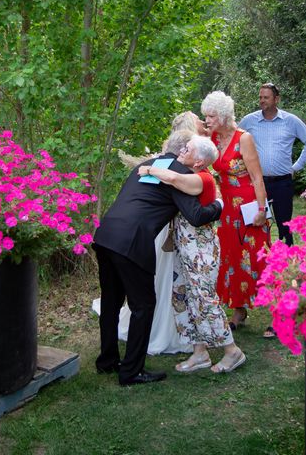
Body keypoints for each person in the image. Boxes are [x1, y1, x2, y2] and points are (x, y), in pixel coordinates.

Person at [93, 131, 223, 386]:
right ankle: (131, 371)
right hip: (131, 242)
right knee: (143, 305)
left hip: (106, 234)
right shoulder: (182, 176)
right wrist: (219, 205)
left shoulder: (146, 165)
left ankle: (107, 361)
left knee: (111, 302)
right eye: (186, 148)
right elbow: (196, 216)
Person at [140, 134, 246, 373]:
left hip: (201, 251)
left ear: (199, 161)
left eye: (188, 149)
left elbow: (173, 178)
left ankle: (232, 351)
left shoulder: (203, 179)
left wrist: (149, 168)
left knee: (206, 299)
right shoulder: (193, 175)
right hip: (185, 248)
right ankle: (200, 353)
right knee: (186, 297)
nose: (182, 150)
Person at [203, 91, 271, 336]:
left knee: (257, 257)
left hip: (249, 205)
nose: (207, 120)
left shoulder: (244, 138)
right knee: (232, 257)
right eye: (206, 116)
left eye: (211, 116)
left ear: (222, 116)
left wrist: (263, 210)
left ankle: (276, 314)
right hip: (227, 207)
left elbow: (257, 177)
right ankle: (239, 311)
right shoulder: (212, 139)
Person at [239, 83, 306, 246]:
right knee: (255, 223)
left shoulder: (290, 120)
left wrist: (296, 167)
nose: (262, 101)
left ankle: (287, 260)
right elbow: (235, 142)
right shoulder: (249, 120)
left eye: (266, 97)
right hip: (256, 182)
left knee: (285, 226)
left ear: (277, 99)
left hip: (282, 182)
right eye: (260, 97)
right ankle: (259, 259)